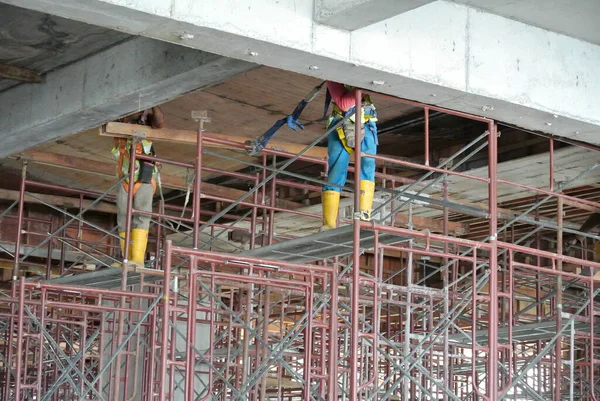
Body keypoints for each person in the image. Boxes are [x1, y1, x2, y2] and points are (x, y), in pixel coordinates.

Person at [320, 81, 378, 231]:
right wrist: (362, 89)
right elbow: (344, 104)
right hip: (340, 124)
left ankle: (364, 214)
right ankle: (329, 223)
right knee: (336, 172)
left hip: (366, 122)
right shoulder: (334, 77)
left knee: (368, 166)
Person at [111, 106, 164, 267]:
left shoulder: (145, 123)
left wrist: (154, 105)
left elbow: (159, 122)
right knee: (123, 217)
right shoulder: (120, 123)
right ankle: (127, 259)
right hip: (125, 179)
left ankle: (138, 259)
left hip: (144, 179)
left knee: (142, 216)